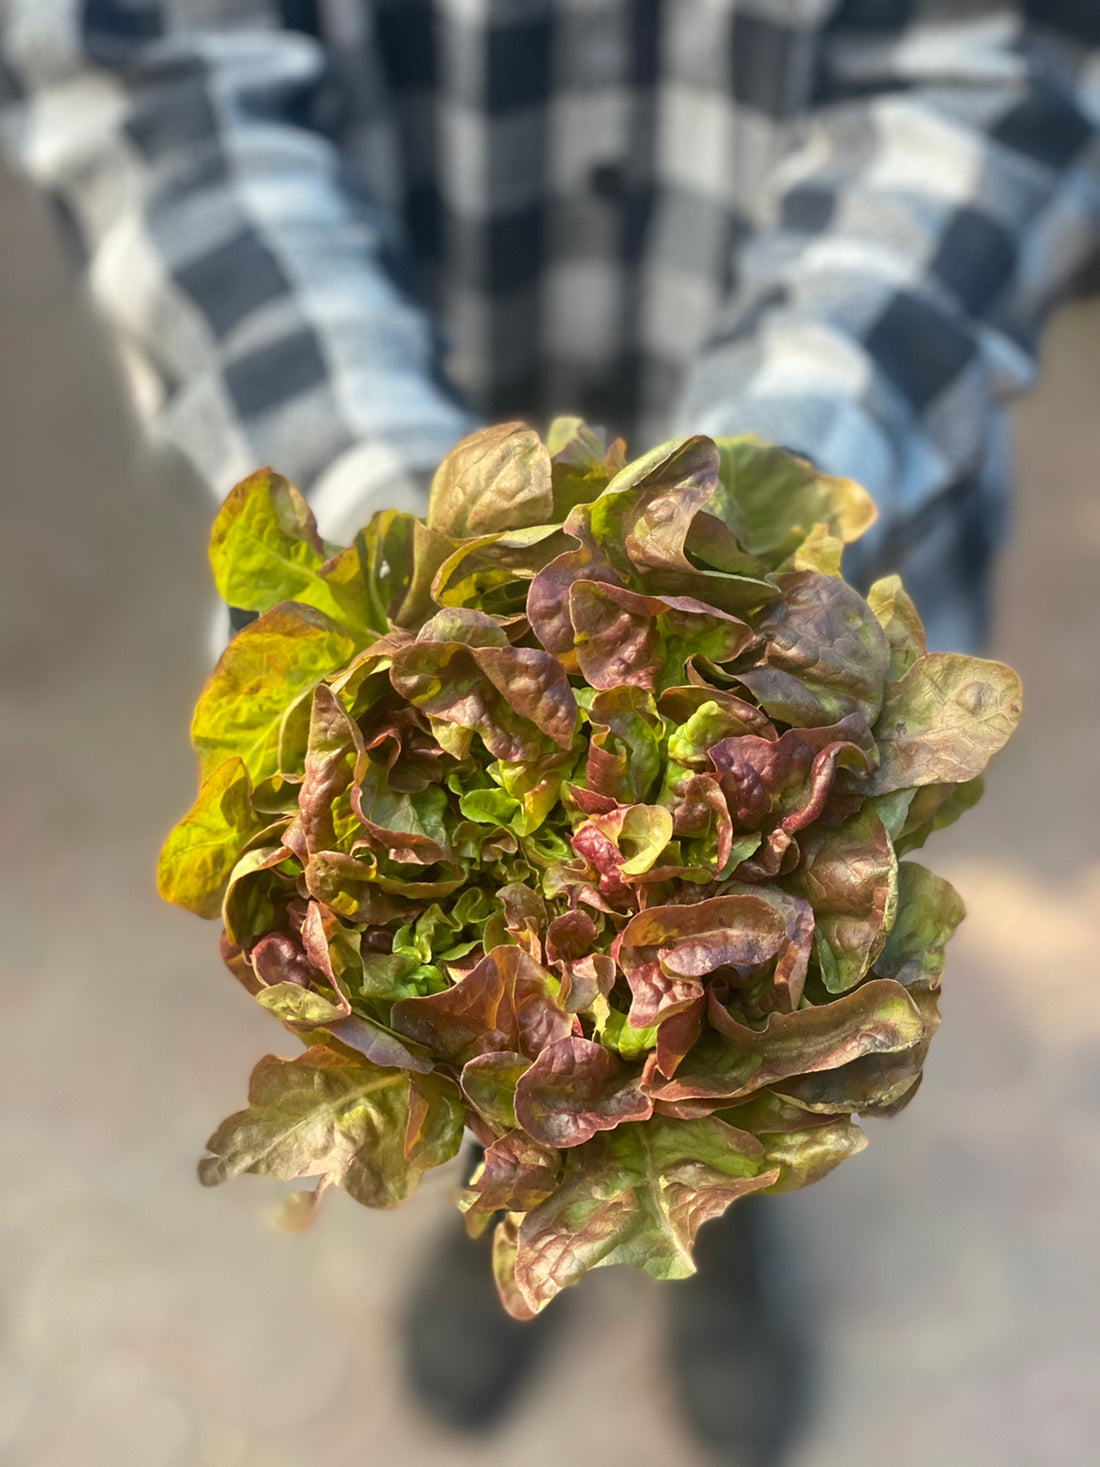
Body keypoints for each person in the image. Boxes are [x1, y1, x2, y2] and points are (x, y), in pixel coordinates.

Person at [2, 2, 1096, 1462]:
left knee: (775, 1004)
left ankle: (722, 1214)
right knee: (472, 1035)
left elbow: (1007, 58)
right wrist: (387, 521)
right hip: (396, 373)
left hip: (820, 507)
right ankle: (507, 1178)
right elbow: (151, 69)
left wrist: (748, 519)